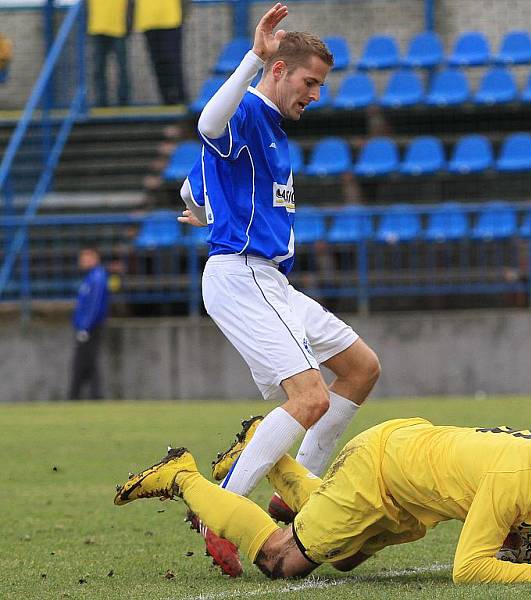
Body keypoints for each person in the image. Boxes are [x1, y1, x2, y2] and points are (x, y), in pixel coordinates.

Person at [175, 2, 381, 570]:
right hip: (243, 275)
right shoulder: (247, 112)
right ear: (278, 71)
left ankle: (295, 492)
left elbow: (193, 186)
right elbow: (207, 125)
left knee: (361, 367)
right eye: (309, 82)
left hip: (268, 278)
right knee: (310, 397)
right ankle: (224, 513)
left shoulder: (270, 132)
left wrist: (199, 207)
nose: (315, 94)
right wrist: (251, 58)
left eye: (319, 84)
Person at [115, 418, 531, 583]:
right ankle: (181, 475)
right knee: (283, 562)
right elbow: (470, 567)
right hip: (381, 469)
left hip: (410, 493)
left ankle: (267, 449)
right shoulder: (517, 478)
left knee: (343, 557)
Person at [68, 247, 110, 400]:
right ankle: (92, 395)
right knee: (87, 363)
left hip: (91, 328)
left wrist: (85, 327)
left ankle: (76, 396)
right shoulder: (90, 277)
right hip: (86, 326)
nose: (83, 261)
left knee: (83, 362)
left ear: (95, 257)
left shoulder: (97, 278)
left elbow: (94, 305)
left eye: (86, 257)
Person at [133, 0, 186, 104]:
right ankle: (166, 98)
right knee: (158, 62)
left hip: (170, 18)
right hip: (147, 19)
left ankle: (180, 96)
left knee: (172, 60)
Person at [86, 0, 130, 106]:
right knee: (98, 68)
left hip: (118, 28)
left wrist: (128, 24)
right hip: (97, 28)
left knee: (122, 67)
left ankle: (123, 102)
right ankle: (101, 101)